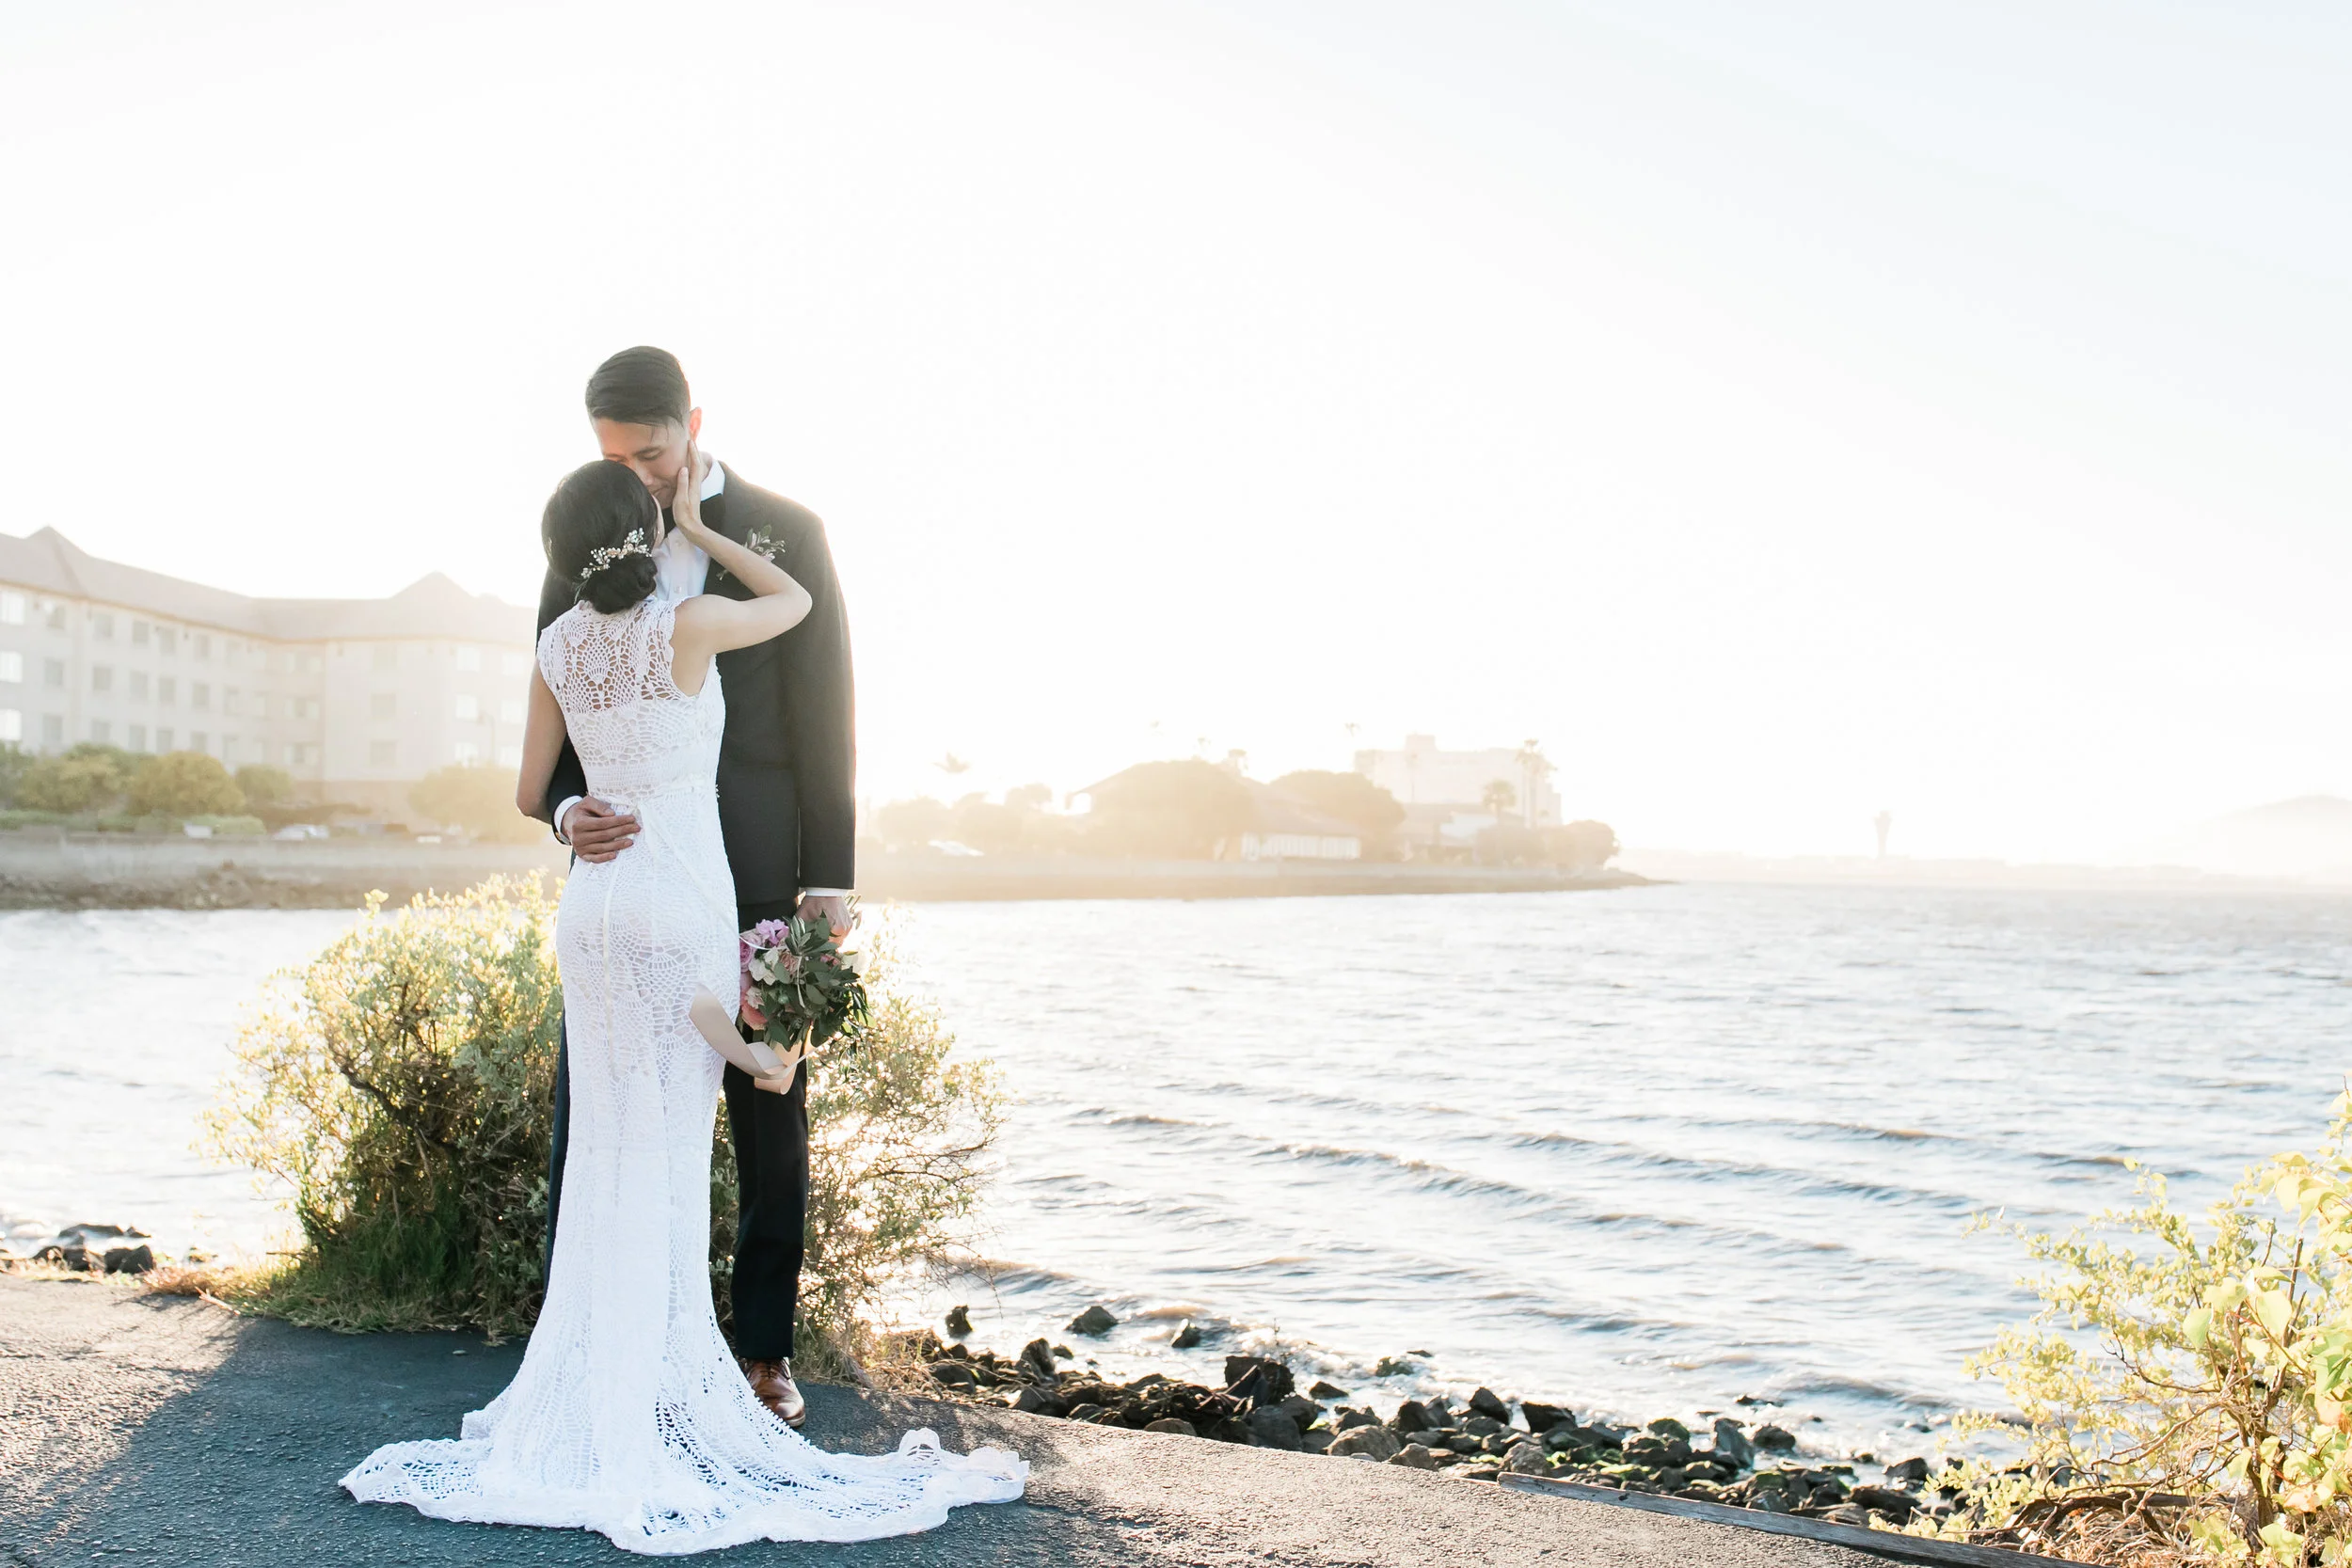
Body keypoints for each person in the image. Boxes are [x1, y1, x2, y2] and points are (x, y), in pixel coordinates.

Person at [340, 457, 1025, 1551]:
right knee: (669, 1145)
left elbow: (531, 792)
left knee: (608, 1141)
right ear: (646, 530)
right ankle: (660, 1389)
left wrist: (572, 819)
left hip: (595, 908)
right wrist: (705, 529)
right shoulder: (687, 623)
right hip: (683, 896)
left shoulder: (555, 642)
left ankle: (603, 1380)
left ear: (560, 554)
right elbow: (792, 604)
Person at [541, 346, 851, 1428]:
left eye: (651, 449)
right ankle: (593, 1334)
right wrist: (563, 814)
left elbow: (827, 707)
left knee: (769, 1110)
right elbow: (559, 709)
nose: (635, 470)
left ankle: (760, 1352)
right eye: (613, 455)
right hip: (633, 868)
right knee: (606, 1095)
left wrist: (830, 877)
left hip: (759, 858)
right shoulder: (583, 530)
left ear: (693, 422)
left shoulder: (784, 526)